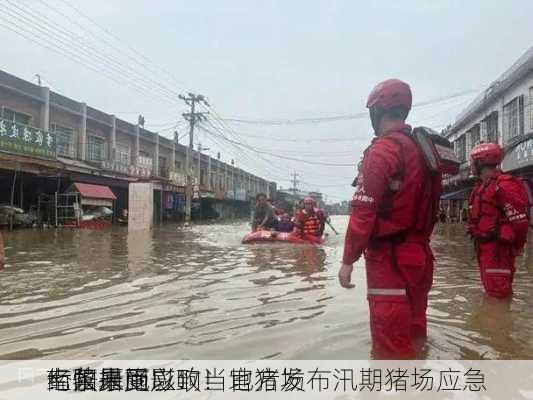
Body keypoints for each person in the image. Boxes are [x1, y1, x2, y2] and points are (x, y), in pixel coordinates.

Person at [339, 79, 442, 358]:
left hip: (390, 261)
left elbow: (363, 211)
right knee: (415, 333)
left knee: (390, 348)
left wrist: (348, 261)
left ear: (376, 112)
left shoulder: (383, 150)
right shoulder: (424, 151)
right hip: (421, 257)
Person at [468, 143, 529, 298]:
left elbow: (520, 221)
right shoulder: (482, 186)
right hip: (486, 251)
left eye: (472, 161)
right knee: (492, 295)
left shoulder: (504, 185)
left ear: (480, 163)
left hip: (497, 253)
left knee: (497, 300)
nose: (471, 165)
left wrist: (518, 246)